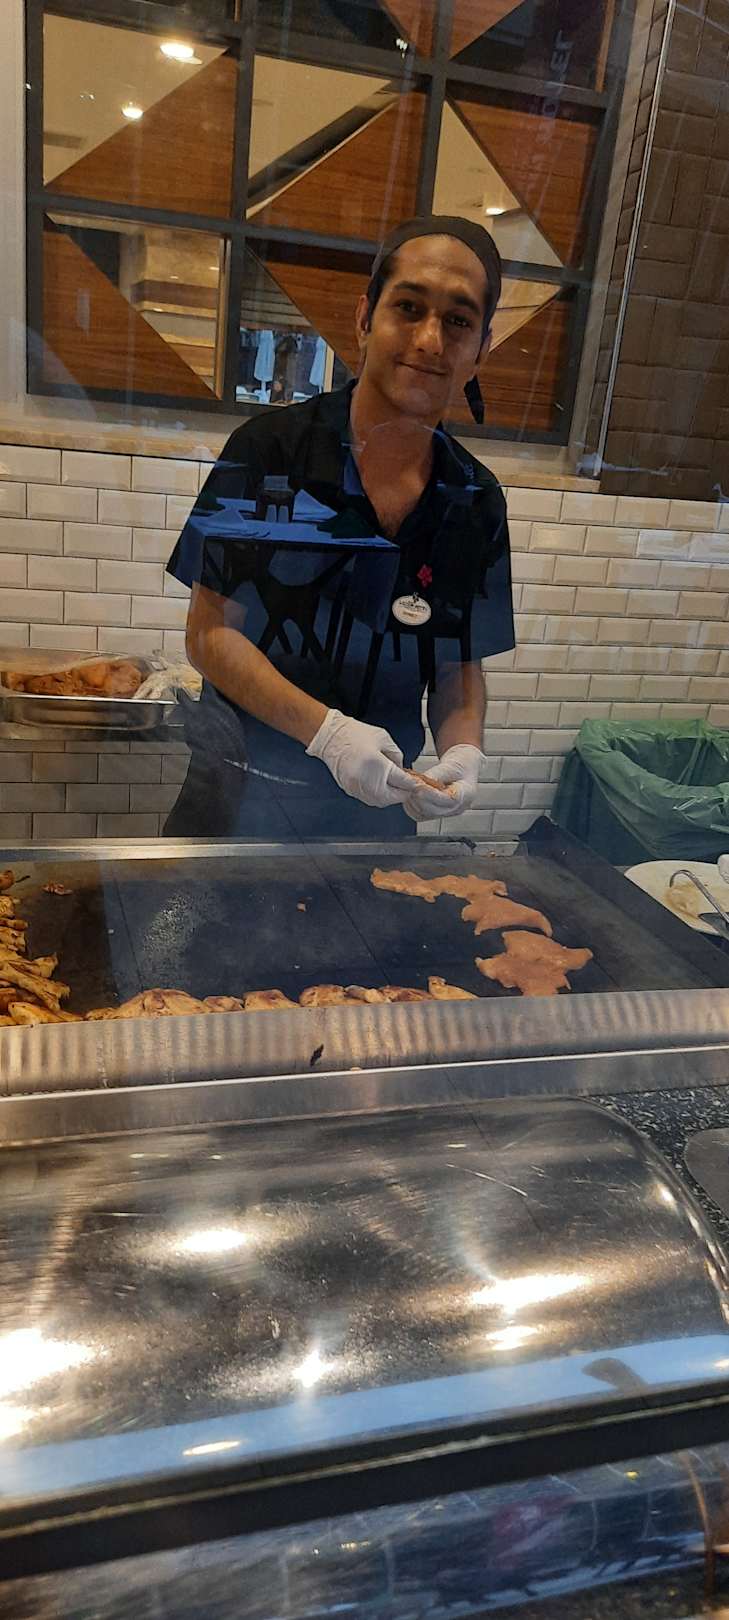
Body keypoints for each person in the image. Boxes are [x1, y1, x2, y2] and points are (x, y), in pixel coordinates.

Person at [164, 215, 514, 839]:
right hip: (237, 798)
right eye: (409, 307)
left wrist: (464, 753)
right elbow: (209, 633)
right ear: (365, 317)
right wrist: (328, 734)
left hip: (376, 814)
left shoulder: (475, 500)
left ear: (482, 346)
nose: (430, 340)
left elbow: (457, 669)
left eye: (458, 320)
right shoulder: (268, 452)